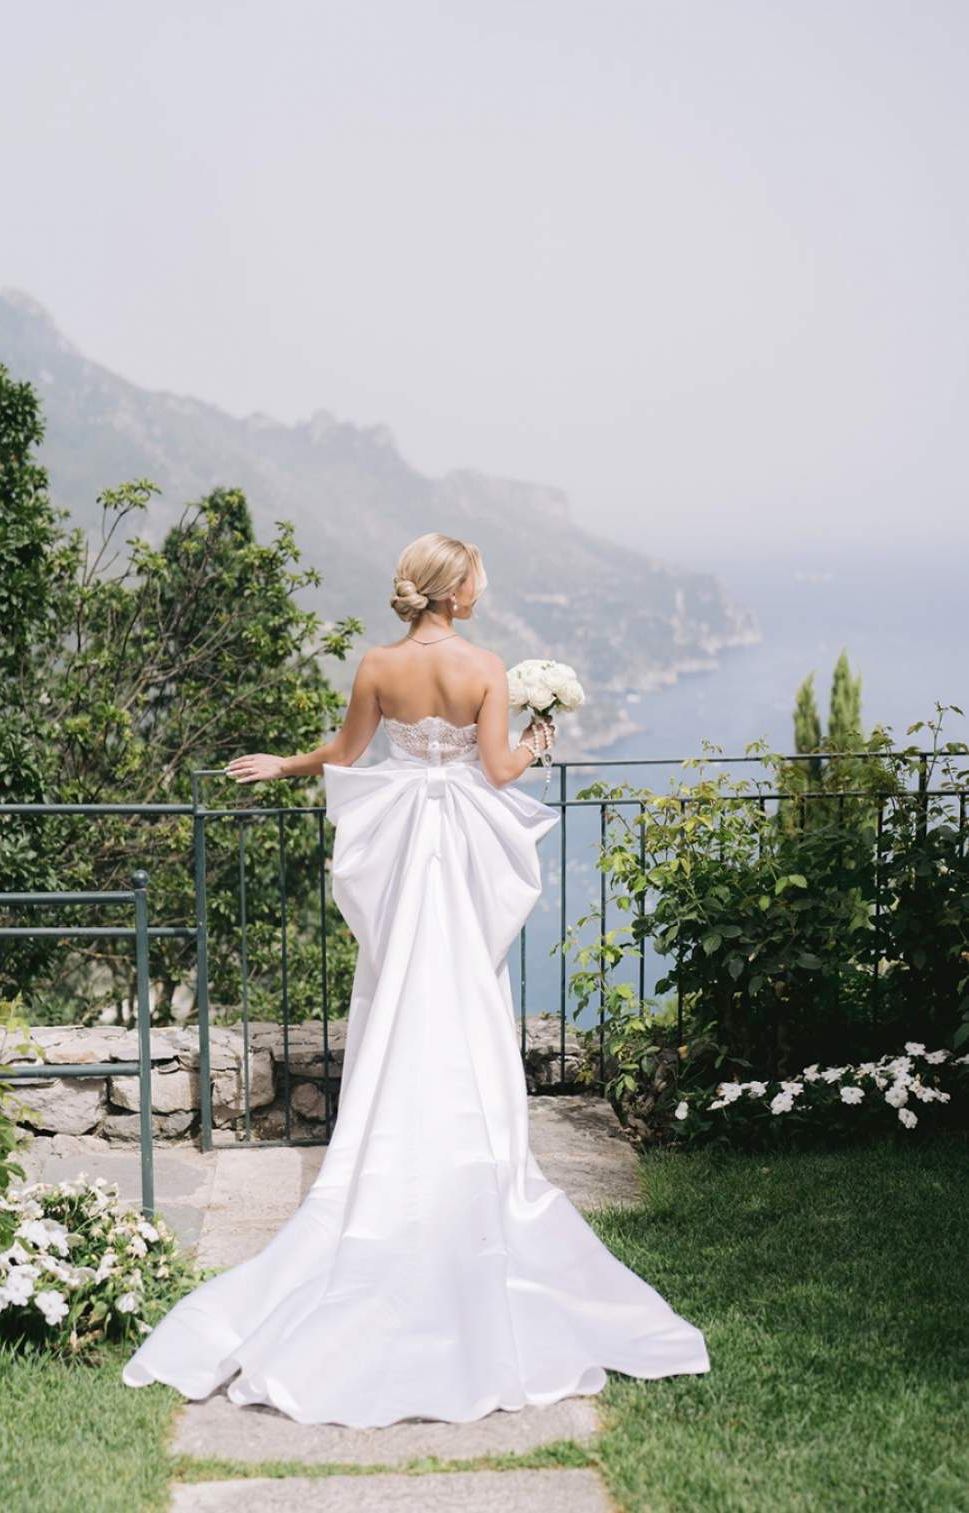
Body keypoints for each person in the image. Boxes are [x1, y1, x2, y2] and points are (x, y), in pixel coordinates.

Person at [121, 531, 711, 1426]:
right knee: (465, 995)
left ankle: (386, 1136)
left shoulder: (377, 665)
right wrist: (539, 736)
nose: (481, 589)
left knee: (394, 992)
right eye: (475, 578)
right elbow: (499, 769)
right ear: (454, 590)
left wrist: (284, 763)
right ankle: (474, 1146)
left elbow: (347, 754)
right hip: (458, 854)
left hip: (403, 853)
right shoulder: (486, 668)